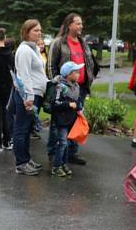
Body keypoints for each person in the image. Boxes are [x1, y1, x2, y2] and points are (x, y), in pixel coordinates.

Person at [48, 13, 100, 165]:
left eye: (81, 24)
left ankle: (72, 153)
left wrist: (89, 78)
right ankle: (53, 152)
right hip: (63, 89)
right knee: (58, 121)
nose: (81, 26)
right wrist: (56, 85)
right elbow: (51, 65)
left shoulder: (83, 42)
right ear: (69, 25)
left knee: (75, 120)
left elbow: (89, 63)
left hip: (80, 89)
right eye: (78, 23)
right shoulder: (58, 42)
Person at [12, 19, 47, 175]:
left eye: (40, 30)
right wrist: (29, 96)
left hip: (36, 94)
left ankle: (26, 159)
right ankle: (21, 163)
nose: (39, 33)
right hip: (26, 96)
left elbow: (38, 72)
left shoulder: (35, 49)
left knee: (27, 130)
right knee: (21, 129)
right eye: (35, 30)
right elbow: (24, 75)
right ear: (26, 33)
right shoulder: (25, 50)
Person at [49, 62, 84, 177]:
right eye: (76, 72)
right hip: (61, 120)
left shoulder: (76, 86)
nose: (79, 74)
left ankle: (63, 164)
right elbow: (55, 103)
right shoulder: (60, 86)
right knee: (62, 143)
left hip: (71, 119)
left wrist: (79, 108)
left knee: (67, 143)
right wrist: (69, 105)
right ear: (69, 74)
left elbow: (78, 101)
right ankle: (56, 166)